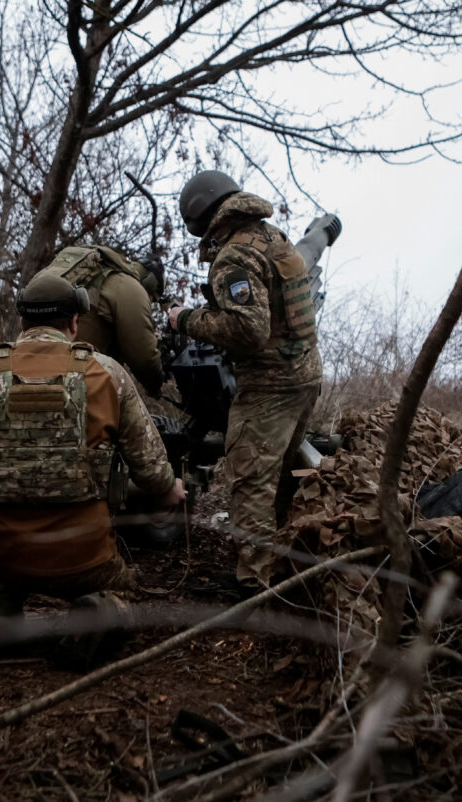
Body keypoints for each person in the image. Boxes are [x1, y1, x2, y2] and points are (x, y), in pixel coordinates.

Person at [0, 271, 186, 622]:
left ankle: (2, 612)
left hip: (6, 556)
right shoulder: (108, 374)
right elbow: (153, 473)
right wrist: (170, 488)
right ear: (74, 322)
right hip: (87, 558)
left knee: (1, 578)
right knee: (124, 591)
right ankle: (100, 610)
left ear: (22, 320)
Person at [168, 170, 323, 587]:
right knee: (284, 474)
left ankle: (256, 585)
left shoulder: (234, 256)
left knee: (251, 481)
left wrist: (186, 319)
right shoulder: (272, 238)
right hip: (304, 374)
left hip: (268, 385)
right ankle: (292, 564)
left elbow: (249, 330)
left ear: (200, 218)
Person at [32, 245, 166, 398]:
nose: (151, 303)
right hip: (77, 379)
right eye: (153, 299)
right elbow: (144, 357)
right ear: (149, 284)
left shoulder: (92, 273)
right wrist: (156, 386)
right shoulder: (130, 287)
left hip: (29, 366)